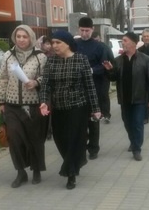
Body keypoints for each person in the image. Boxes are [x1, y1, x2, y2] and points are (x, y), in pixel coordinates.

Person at [39, 30, 101, 190]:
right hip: (59, 108)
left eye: (58, 42)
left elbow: (89, 85)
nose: (54, 46)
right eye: (53, 43)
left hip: (78, 107)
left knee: (75, 139)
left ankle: (70, 172)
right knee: (61, 140)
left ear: (68, 44)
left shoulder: (81, 59)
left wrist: (96, 108)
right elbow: (45, 84)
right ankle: (75, 162)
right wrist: (43, 102)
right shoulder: (51, 61)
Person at [0, 25, 48, 188]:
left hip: (33, 105)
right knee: (15, 139)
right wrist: (1, 101)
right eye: (18, 36)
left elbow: (46, 77)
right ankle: (21, 172)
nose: (21, 39)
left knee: (35, 139)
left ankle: (36, 170)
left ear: (31, 38)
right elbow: (2, 78)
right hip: (12, 105)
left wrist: (36, 82)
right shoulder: (8, 55)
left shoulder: (40, 56)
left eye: (24, 36)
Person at [103, 32, 149, 161]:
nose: (123, 43)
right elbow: (113, 78)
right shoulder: (118, 60)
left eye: (125, 40)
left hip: (139, 99)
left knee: (138, 124)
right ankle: (133, 142)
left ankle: (137, 149)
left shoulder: (145, 59)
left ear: (133, 43)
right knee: (128, 124)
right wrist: (109, 70)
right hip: (124, 98)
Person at [75, 16, 107, 160]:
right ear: (78, 29)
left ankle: (93, 148)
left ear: (92, 29)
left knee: (94, 120)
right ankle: (81, 146)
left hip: (94, 88)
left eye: (87, 30)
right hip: (77, 89)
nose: (84, 33)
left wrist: (92, 70)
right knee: (80, 121)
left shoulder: (100, 47)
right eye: (82, 30)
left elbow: (105, 66)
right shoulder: (74, 44)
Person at [92, 32, 115, 124]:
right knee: (95, 95)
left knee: (104, 94)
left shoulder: (105, 47)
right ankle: (97, 113)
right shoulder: (90, 48)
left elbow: (112, 60)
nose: (95, 42)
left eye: (96, 40)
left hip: (104, 75)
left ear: (100, 38)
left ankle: (106, 114)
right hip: (93, 76)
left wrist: (110, 69)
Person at [139, 28, 149, 124]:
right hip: (144, 77)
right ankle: (145, 116)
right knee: (145, 97)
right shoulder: (139, 50)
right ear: (142, 38)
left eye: (148, 36)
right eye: (144, 36)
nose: (146, 38)